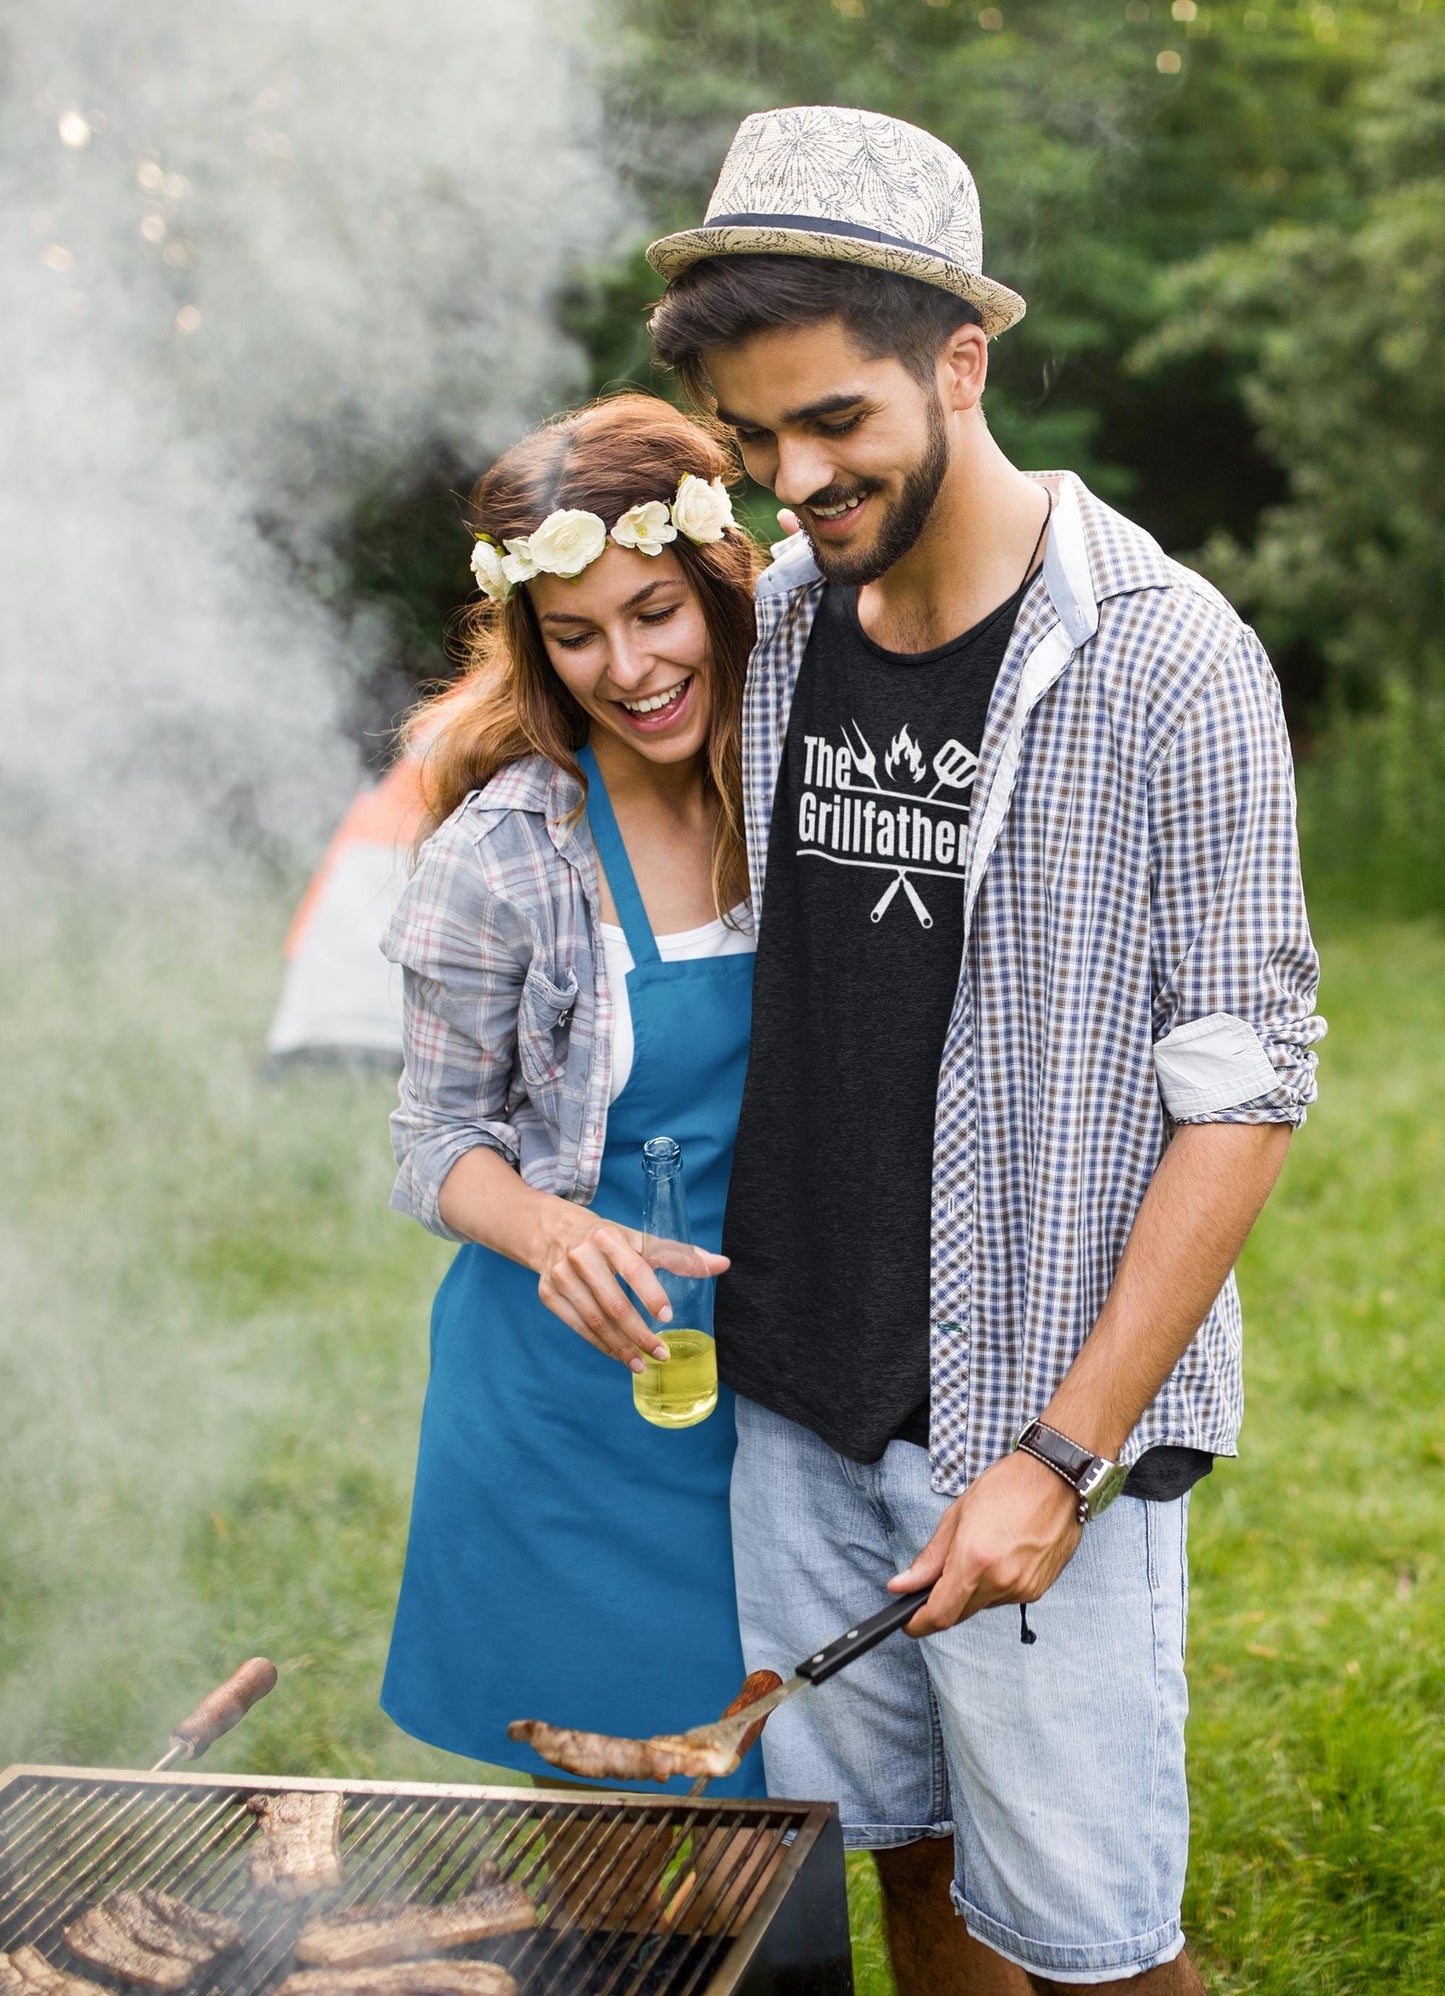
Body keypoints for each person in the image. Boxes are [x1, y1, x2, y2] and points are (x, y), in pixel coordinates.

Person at [646, 106, 1326, 1988]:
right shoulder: (778, 628)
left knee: (1097, 1946)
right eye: (757, 435)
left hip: (1022, 1408)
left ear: (961, 360)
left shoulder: (1169, 661)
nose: (796, 477)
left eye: (836, 422)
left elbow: (1247, 1086)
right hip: (791, 1391)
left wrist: (1058, 1453)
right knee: (912, 1875)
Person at [379, 394, 767, 1795]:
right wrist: (555, 1234)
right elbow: (434, 1141)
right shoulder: (502, 857)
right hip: (571, 1395)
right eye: (575, 634)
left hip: (793, 1391)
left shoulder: (811, 784)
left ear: (720, 580)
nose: (628, 667)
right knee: (620, 1846)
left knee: (822, 1800)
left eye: (655, 612)